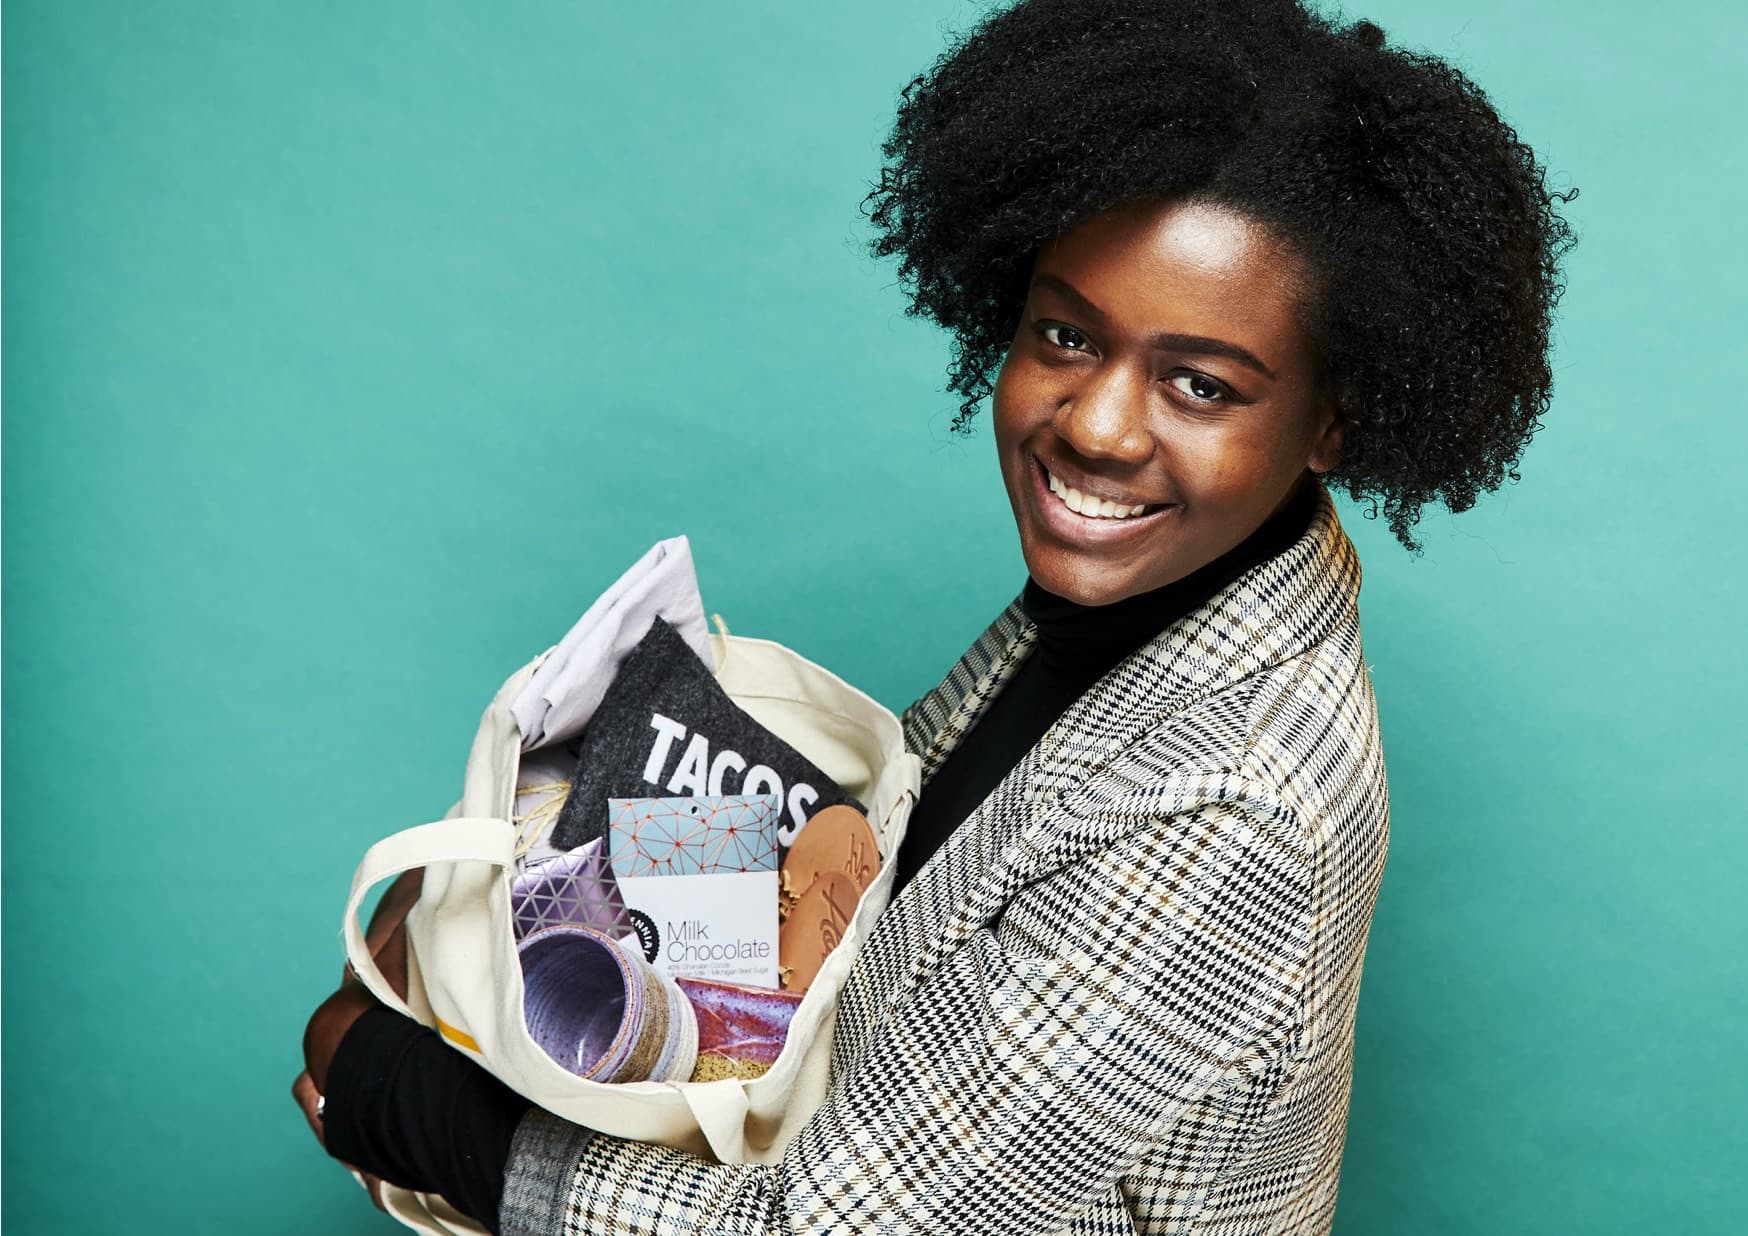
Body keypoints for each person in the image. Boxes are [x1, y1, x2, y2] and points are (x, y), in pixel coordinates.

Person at [292, 0, 1574, 1231]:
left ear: (1332, 420)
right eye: (1065, 336)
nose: (1097, 425)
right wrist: (527, 894)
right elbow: (885, 920)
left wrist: (402, 1097)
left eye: (1199, 383)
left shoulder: (1229, 804)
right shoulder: (1128, 615)